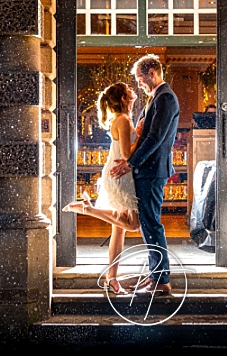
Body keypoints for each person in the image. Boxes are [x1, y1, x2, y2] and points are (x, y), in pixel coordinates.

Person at [111, 54, 179, 296]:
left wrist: (131, 163)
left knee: (151, 225)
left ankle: (162, 281)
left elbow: (155, 138)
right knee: (149, 225)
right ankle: (156, 277)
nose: (139, 83)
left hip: (151, 170)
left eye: (140, 78)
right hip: (147, 170)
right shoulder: (157, 98)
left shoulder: (166, 98)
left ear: (152, 72)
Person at [62, 82, 140, 295]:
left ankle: (112, 278)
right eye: (128, 90)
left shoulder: (122, 119)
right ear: (124, 98)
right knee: (133, 224)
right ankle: (86, 208)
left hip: (117, 172)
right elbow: (126, 154)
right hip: (120, 174)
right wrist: (141, 137)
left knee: (119, 229)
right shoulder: (123, 120)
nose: (133, 90)